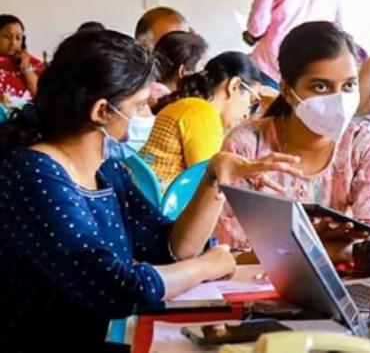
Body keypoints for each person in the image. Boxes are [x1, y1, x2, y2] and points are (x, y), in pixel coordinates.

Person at [0, 29, 300, 351]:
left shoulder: (106, 170)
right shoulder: (33, 174)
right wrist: (205, 267)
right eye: (142, 106)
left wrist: (214, 178)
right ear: (102, 111)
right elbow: (114, 289)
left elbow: (170, 248)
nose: (150, 117)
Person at [217, 22, 370, 262]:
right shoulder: (248, 146)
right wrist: (320, 246)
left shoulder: (363, 143)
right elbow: (233, 251)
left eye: (349, 85)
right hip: (255, 286)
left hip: (345, 285)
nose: (339, 100)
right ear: (288, 91)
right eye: (321, 86)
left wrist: (293, 248)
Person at [140, 52, 261, 189]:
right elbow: (209, 186)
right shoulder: (204, 114)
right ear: (234, 85)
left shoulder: (190, 106)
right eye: (252, 102)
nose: (247, 115)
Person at [149, 31, 209, 110]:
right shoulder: (176, 107)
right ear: (183, 71)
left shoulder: (143, 91)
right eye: (202, 69)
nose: (205, 76)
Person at [0, 14, 43, 106]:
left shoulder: (32, 63)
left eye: (18, 38)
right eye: (7, 37)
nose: (13, 42)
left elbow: (41, 95)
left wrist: (26, 68)